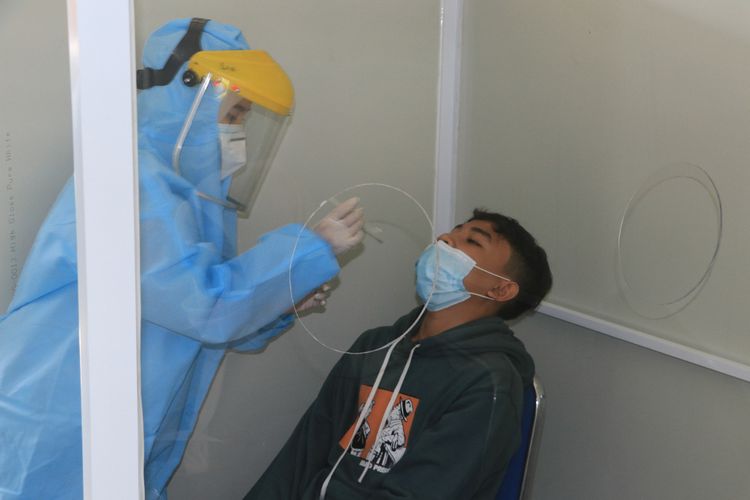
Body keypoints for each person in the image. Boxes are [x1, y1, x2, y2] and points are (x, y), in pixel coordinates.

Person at [0, 18, 364, 500]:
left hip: (108, 428)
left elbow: (205, 325)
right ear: (186, 95)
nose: (237, 134)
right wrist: (310, 250)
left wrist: (284, 301)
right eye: (232, 115)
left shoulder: (186, 202)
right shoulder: (132, 183)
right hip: (55, 421)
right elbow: (206, 307)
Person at [244, 209, 553, 500]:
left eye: (472, 241)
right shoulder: (375, 345)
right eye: (453, 232)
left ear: (500, 290)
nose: (445, 239)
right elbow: (304, 452)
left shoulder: (489, 385)